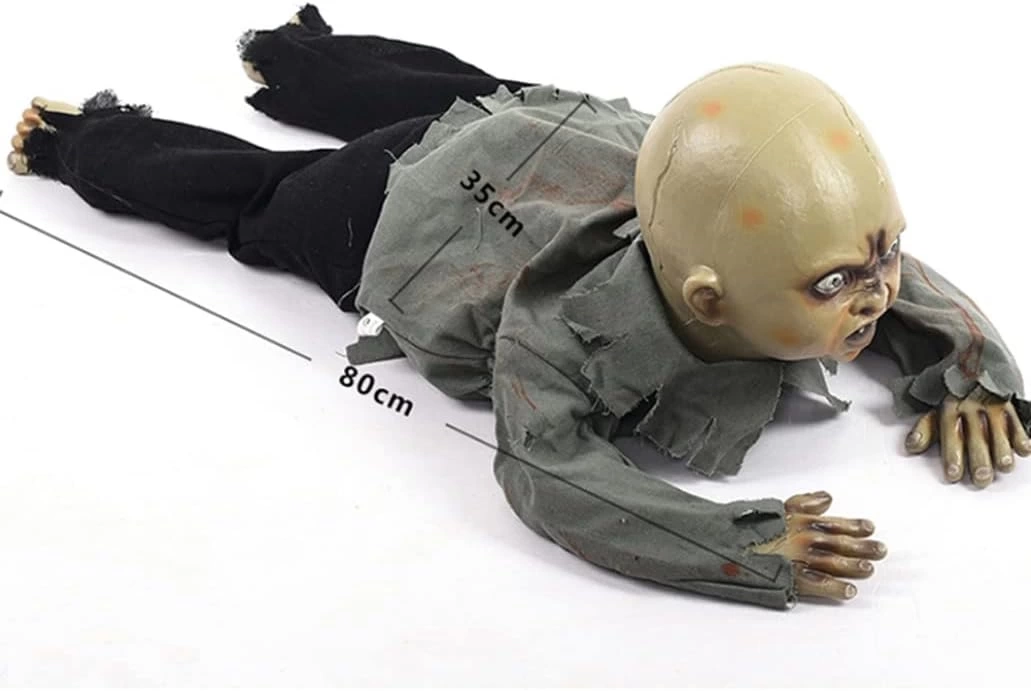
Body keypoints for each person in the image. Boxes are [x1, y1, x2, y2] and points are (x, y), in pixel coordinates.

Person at [9, 4, 1030, 609]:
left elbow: (892, 272)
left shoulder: (760, 231)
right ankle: (72, 138)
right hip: (399, 208)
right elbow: (548, 471)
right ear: (708, 297)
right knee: (259, 199)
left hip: (546, 135)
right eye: (836, 285)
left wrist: (971, 368)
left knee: (456, 85)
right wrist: (731, 542)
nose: (878, 293)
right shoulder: (561, 329)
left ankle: (292, 52)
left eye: (881, 253)